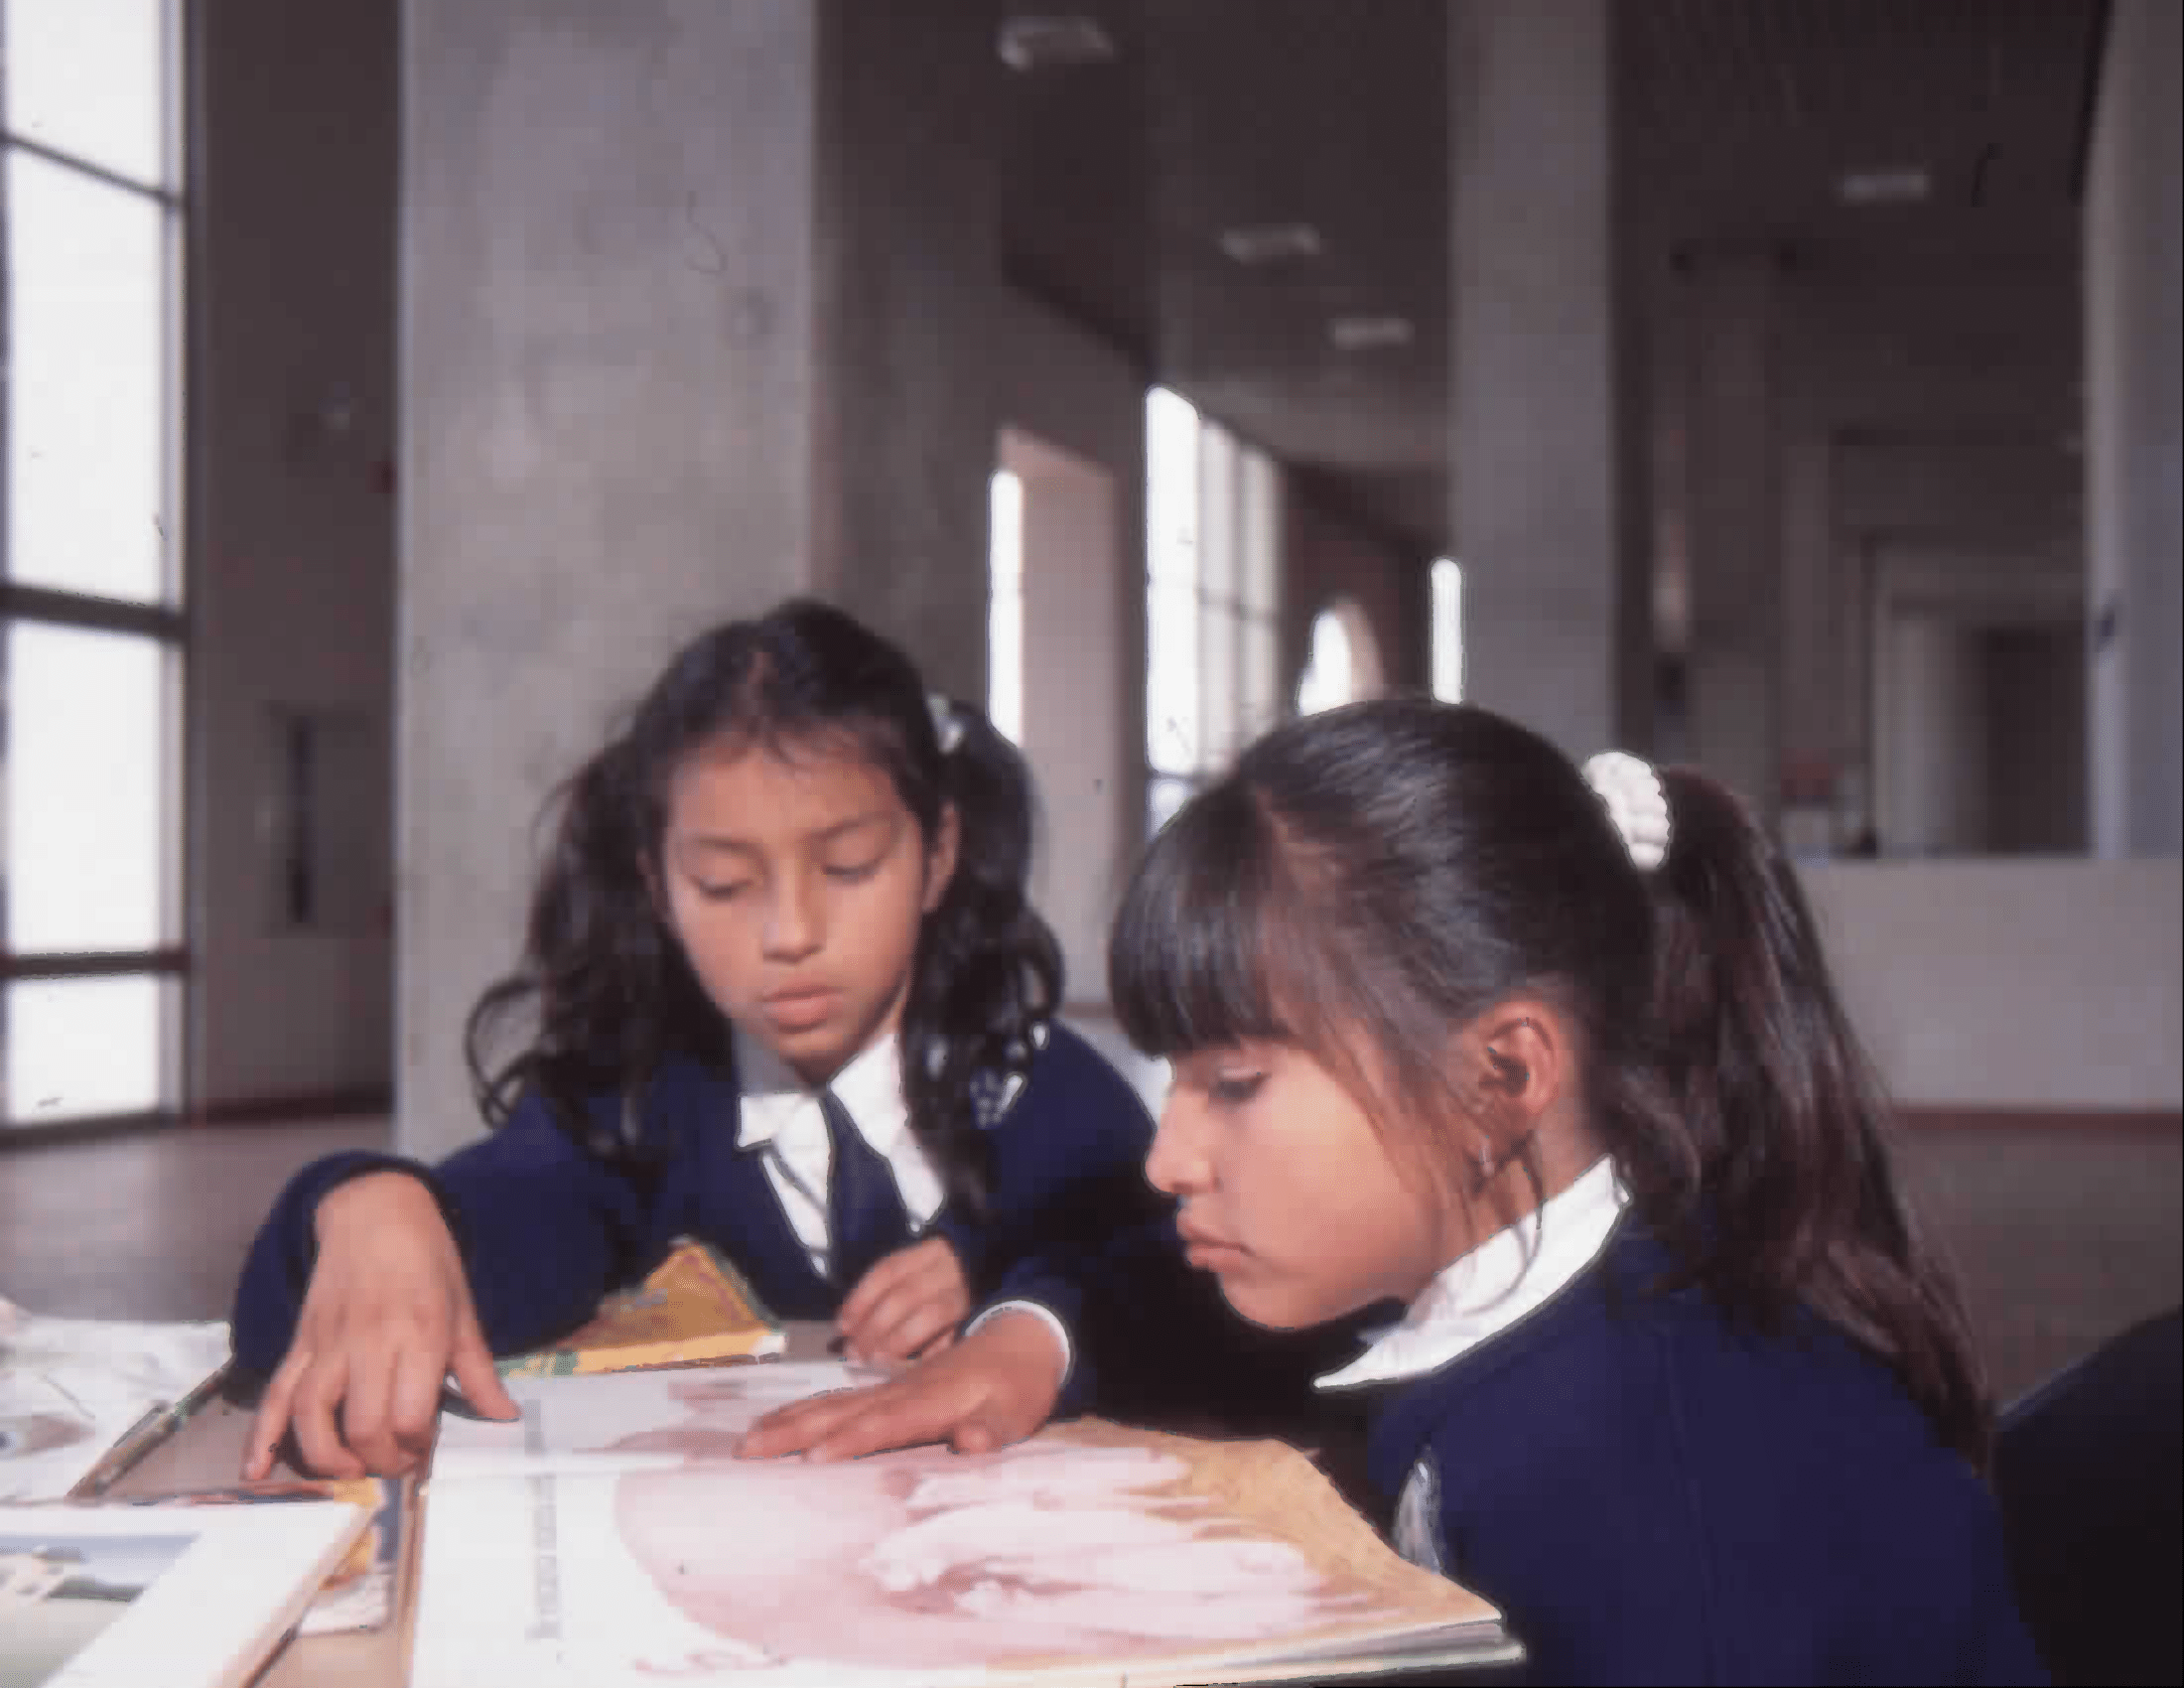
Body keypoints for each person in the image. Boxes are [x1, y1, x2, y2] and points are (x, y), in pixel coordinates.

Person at [1104, 697, 2046, 1685]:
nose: (1165, 1159)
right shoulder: (1598, 1291)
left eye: (1234, 1084)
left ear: (1502, 1076)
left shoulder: (1646, 1485)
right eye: (1172, 1077)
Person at [232, 599, 1172, 1480]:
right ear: (659, 888)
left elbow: (1192, 1292)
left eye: (847, 866)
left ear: (939, 855)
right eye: (724, 885)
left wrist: (1035, 1321)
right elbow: (479, 1232)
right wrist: (372, 1210)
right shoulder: (633, 1110)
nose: (790, 933)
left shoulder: (1052, 1098)